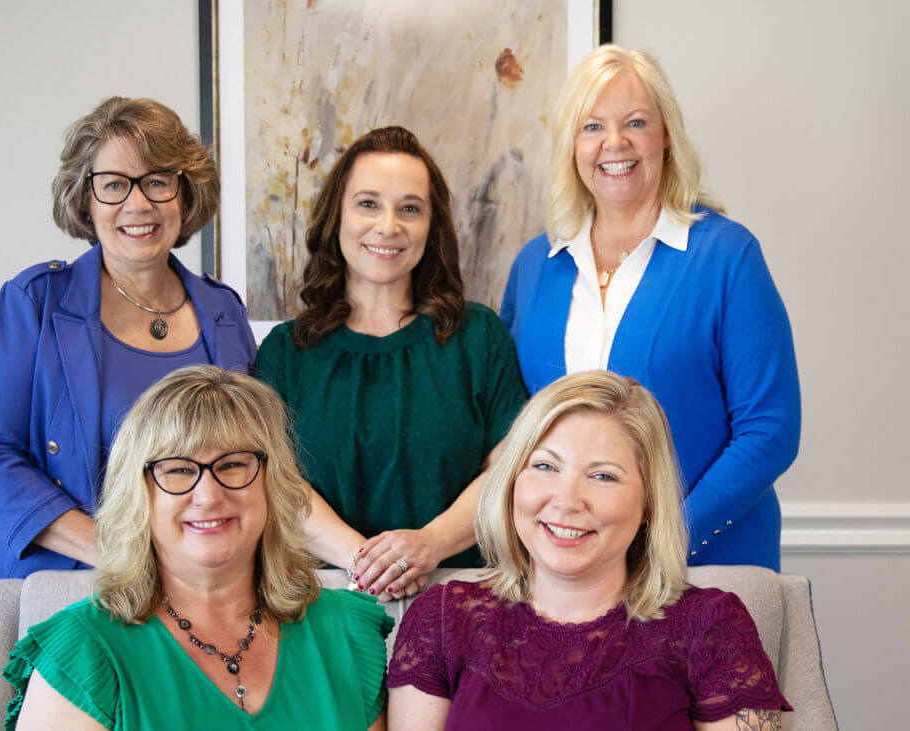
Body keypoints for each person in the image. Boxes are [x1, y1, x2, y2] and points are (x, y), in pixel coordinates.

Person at [500, 45, 800, 569]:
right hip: (565, 571)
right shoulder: (535, 266)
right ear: (571, 145)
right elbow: (511, 425)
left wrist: (665, 540)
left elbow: (770, 431)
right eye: (592, 127)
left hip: (706, 565)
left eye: (636, 122)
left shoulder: (727, 257)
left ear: (666, 135)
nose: (614, 143)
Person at [388, 371, 791, 730]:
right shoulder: (441, 619)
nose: (567, 500)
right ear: (512, 480)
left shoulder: (710, 626)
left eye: (602, 476)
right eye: (545, 466)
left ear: (649, 502)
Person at [0, 98, 256, 580]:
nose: (138, 204)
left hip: (199, 585)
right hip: (66, 580)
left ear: (185, 194)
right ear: (86, 199)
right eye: (114, 185)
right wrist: (119, 554)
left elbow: (245, 462)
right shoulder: (36, 303)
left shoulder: (224, 312)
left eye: (157, 181)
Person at [3, 366, 392, 730]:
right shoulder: (84, 653)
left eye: (233, 465)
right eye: (178, 470)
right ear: (138, 495)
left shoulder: (347, 632)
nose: (208, 495)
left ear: (273, 483)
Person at [254, 126, 526, 599]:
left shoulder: (479, 338)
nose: (388, 225)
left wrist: (430, 545)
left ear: (431, 227)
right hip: (320, 604)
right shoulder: (285, 352)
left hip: (461, 601)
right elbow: (274, 482)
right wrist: (370, 563)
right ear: (335, 216)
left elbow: (511, 469)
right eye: (368, 203)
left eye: (410, 209)